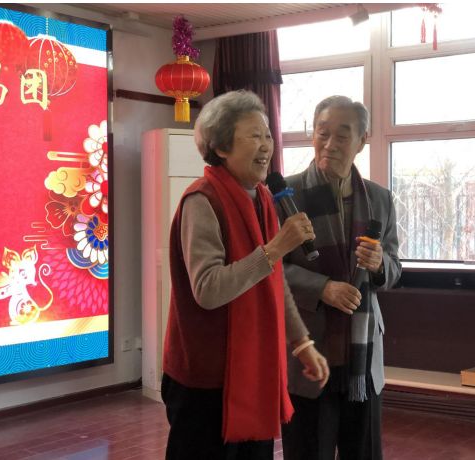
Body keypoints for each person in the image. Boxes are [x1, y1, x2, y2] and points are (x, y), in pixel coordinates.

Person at [161, 90, 329, 460]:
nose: (266, 145)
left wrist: (301, 343)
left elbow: (274, 280)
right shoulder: (202, 200)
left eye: (268, 135)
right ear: (221, 147)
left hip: (253, 369)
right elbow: (208, 290)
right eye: (254, 136)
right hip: (207, 378)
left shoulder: (264, 198)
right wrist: (275, 249)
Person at [280, 96, 402, 460]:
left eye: (342, 136)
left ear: (361, 141)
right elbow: (270, 268)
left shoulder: (379, 198)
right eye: (323, 133)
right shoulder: (285, 196)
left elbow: (395, 267)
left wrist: (380, 265)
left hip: (362, 355)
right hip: (309, 350)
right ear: (312, 135)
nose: (330, 144)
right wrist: (323, 288)